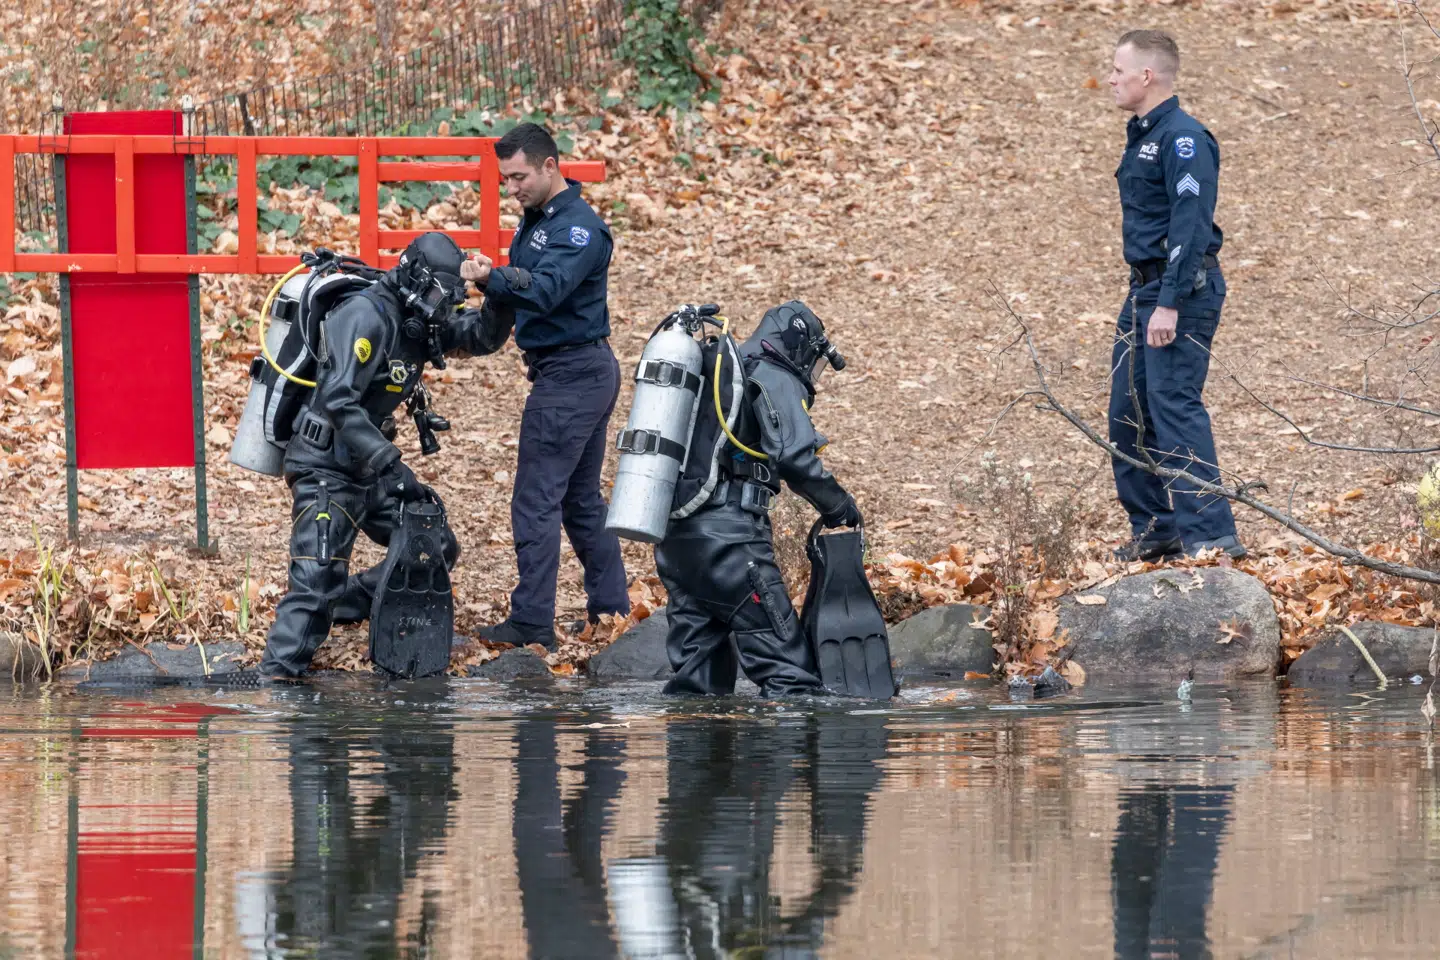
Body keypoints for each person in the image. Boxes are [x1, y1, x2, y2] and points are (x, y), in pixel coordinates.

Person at [260, 232, 511, 678]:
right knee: (315, 581)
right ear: (415, 278)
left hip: (369, 467)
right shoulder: (363, 315)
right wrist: (391, 465)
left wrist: (498, 290)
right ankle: (276, 682)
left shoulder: (421, 318)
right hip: (324, 466)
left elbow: (482, 336)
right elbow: (338, 400)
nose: (442, 307)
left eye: (449, 298)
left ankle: (346, 601)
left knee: (433, 546)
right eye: (438, 295)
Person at [461, 122, 630, 649]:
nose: (512, 188)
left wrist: (491, 277)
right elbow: (519, 293)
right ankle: (612, 612)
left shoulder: (578, 229)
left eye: (519, 177)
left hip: (572, 377)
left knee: (536, 500)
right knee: (579, 501)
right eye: (506, 179)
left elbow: (547, 289)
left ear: (550, 166)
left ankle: (533, 622)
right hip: (576, 372)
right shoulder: (538, 222)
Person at [656, 301, 861, 697]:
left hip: (677, 543)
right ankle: (789, 738)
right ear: (801, 347)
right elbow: (794, 455)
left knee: (697, 688)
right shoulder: (773, 373)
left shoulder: (713, 369)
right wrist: (838, 506)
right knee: (791, 678)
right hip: (732, 544)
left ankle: (691, 736)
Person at [1107, 29, 1245, 561]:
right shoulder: (1146, 134)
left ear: (1146, 76)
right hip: (1144, 290)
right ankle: (1155, 529)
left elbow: (1191, 222)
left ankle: (1211, 537)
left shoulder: (1184, 138)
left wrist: (1169, 302)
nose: (1111, 80)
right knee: (1127, 413)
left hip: (1179, 292)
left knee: (1173, 407)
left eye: (1118, 70)